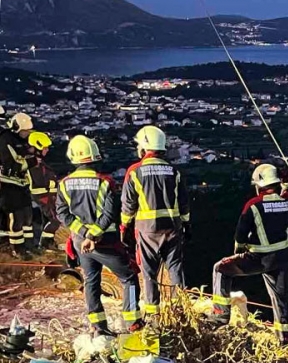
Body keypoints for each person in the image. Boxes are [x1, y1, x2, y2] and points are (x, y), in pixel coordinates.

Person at [55, 136, 141, 336]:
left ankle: (98, 327)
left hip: (80, 242)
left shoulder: (64, 184)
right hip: (105, 242)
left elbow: (62, 213)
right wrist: (93, 235)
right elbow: (109, 213)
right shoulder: (105, 182)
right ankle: (133, 322)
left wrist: (84, 233)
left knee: (91, 280)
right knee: (128, 277)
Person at [210, 163, 288, 343]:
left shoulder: (254, 204)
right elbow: (287, 189)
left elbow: (240, 234)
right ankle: (284, 337)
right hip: (282, 257)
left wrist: (238, 250)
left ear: (260, 185)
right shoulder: (287, 201)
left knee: (220, 269)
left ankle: (220, 315)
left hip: (258, 257)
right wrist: (285, 179)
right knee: (280, 296)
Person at [121, 125, 189, 323]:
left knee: (149, 272)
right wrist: (186, 224)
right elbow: (183, 203)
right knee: (175, 269)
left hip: (147, 230)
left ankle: (153, 315)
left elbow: (128, 205)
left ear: (143, 147)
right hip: (173, 227)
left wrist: (124, 228)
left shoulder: (135, 171)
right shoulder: (174, 171)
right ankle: (181, 311)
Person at [0, 113, 35, 255]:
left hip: (21, 184)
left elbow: (21, 157)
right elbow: (11, 165)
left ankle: (29, 246)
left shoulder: (15, 139)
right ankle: (18, 250)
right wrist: (32, 161)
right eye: (24, 131)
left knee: (27, 216)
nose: (26, 134)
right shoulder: (5, 139)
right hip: (9, 184)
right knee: (16, 217)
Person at [27, 132, 60, 251]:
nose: (47, 150)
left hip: (45, 196)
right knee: (55, 220)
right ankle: (46, 244)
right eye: (45, 147)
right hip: (42, 196)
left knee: (48, 220)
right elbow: (38, 183)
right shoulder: (33, 163)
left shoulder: (37, 162)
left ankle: (47, 243)